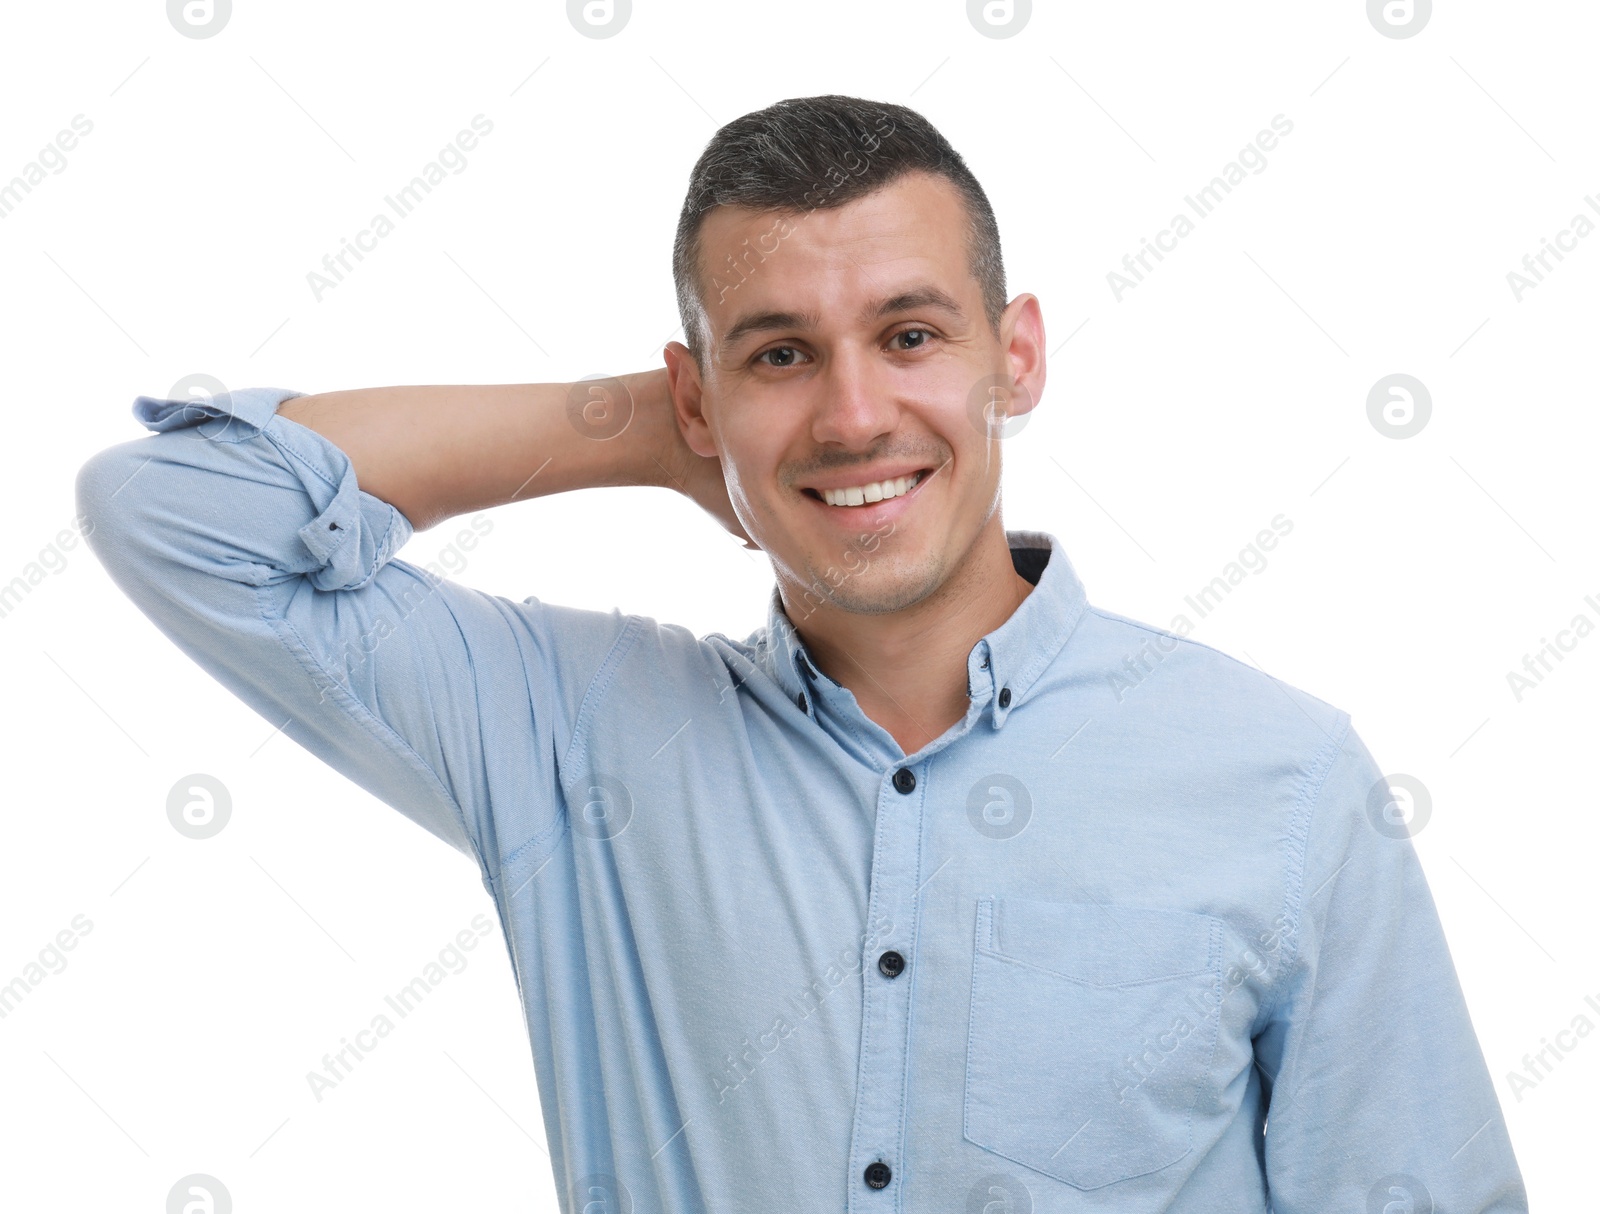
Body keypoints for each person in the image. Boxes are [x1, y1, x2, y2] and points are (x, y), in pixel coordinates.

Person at [75, 94, 1526, 1212]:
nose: (851, 416)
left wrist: (738, 393)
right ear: (697, 393)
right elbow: (178, 512)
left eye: (909, 334)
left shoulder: (1279, 779)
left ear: (1014, 353)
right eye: (779, 353)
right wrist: (647, 427)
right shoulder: (568, 739)